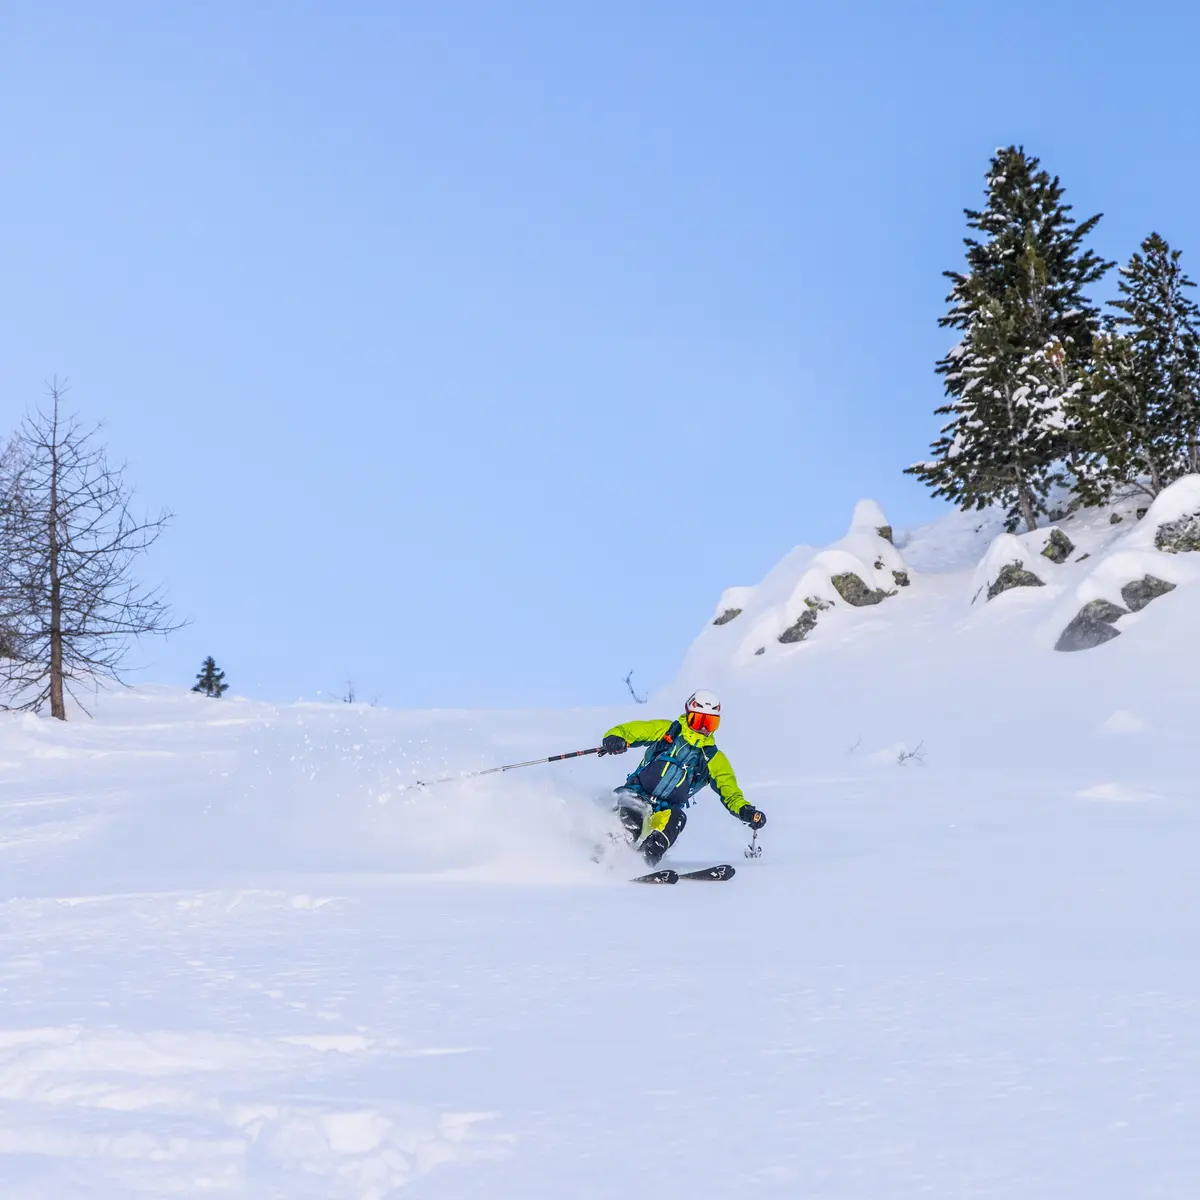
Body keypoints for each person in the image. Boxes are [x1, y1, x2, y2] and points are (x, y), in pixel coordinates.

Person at [598, 689, 766, 866]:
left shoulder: (713, 758)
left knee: (677, 819)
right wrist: (615, 738)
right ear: (688, 715)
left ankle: (639, 865)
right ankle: (599, 857)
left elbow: (730, 792)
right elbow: (633, 730)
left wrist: (746, 811)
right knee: (632, 821)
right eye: (698, 720)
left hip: (663, 811)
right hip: (635, 795)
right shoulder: (667, 731)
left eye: (709, 723)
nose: (702, 728)